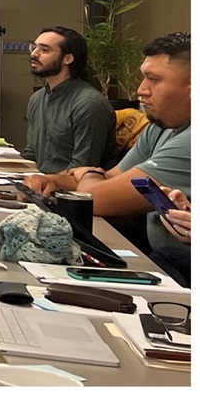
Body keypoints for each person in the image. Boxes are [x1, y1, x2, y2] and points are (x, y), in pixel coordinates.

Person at [22, 32, 190, 253]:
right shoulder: (160, 127)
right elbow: (111, 177)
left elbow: (95, 199)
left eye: (154, 79)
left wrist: (87, 174)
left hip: (178, 271)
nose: (141, 90)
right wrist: (53, 181)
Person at [22, 26, 121, 174]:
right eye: (34, 47)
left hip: (75, 192)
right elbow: (31, 154)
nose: (34, 54)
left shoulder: (89, 104)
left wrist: (45, 182)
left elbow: (81, 168)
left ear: (68, 58)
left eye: (45, 49)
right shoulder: (37, 99)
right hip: (42, 187)